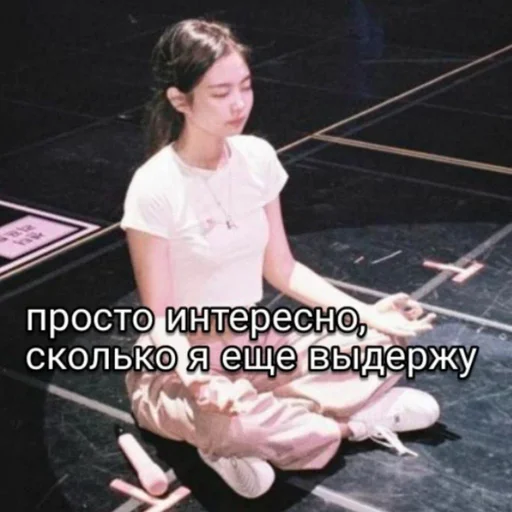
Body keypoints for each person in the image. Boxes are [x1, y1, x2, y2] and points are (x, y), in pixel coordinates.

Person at [119, 18, 440, 499]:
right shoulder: (153, 186)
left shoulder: (257, 158)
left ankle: (266, 432)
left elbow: (283, 268)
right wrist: (201, 382)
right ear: (179, 100)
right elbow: (162, 320)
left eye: (245, 86)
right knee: (228, 421)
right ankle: (345, 425)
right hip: (180, 365)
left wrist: (366, 314)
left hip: (253, 344)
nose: (239, 103)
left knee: (386, 343)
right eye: (220, 92)